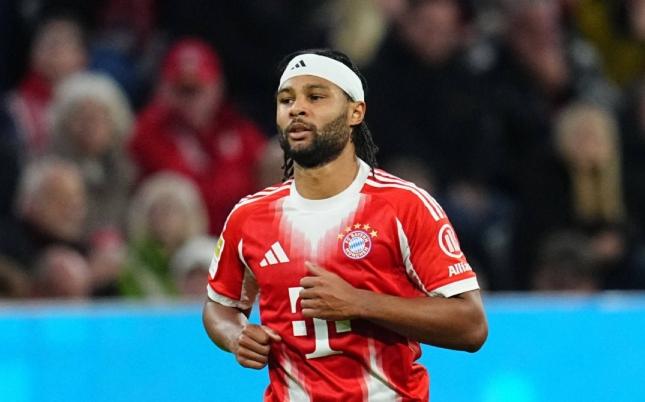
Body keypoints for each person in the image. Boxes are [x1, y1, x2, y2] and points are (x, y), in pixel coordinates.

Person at [203, 49, 487, 401]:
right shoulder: (249, 216)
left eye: (316, 96)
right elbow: (220, 305)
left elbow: (471, 325)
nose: (297, 109)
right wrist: (236, 336)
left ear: (356, 111)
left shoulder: (404, 206)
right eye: (286, 100)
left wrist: (360, 303)